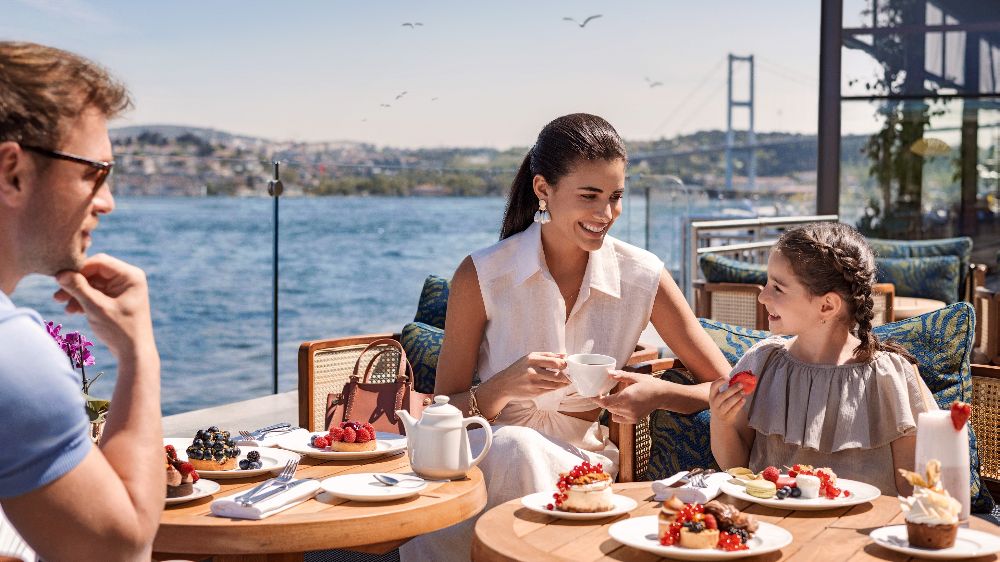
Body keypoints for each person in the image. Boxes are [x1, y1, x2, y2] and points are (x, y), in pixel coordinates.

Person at [401, 113, 731, 561]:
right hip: (483, 455)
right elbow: (445, 411)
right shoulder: (482, 274)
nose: (606, 214)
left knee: (518, 450)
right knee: (513, 445)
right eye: (590, 196)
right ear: (543, 190)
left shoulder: (642, 276)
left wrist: (660, 393)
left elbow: (728, 387)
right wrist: (502, 387)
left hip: (581, 468)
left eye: (616, 197)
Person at [0, 42, 164, 560]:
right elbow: (122, 547)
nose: (108, 202)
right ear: (13, 173)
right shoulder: (10, 355)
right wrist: (138, 351)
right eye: (94, 172)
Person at [709, 222, 937, 496]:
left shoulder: (890, 376)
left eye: (778, 288)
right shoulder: (761, 363)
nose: (762, 296)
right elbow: (737, 467)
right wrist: (720, 421)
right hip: (775, 523)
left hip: (859, 530)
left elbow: (915, 488)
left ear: (827, 305)